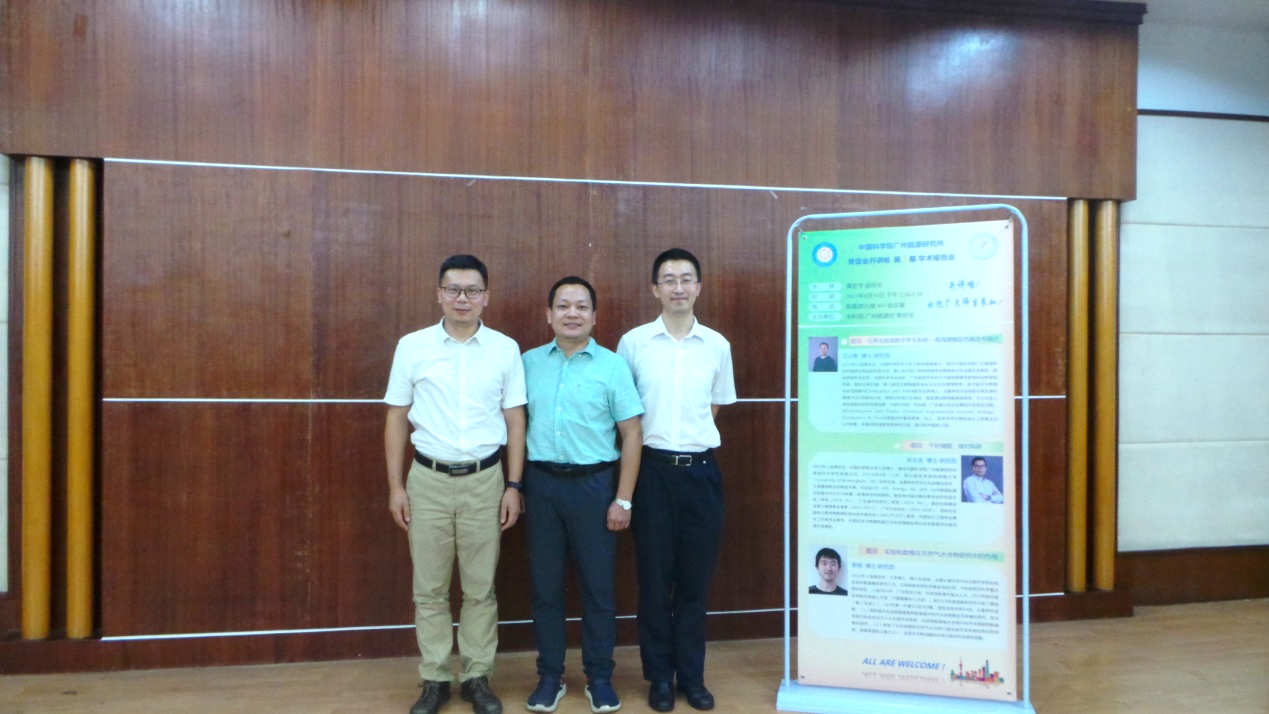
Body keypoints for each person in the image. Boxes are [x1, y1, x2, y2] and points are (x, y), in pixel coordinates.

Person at [383, 254, 527, 714]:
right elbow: (396, 418)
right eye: (453, 289)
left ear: (486, 296)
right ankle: (435, 678)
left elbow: (515, 420)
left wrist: (514, 485)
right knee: (429, 588)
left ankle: (477, 677)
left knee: (480, 588)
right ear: (439, 294)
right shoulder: (412, 347)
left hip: (486, 481)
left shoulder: (504, 349)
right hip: (427, 480)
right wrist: (396, 487)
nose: (462, 298)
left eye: (472, 290)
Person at [617, 248, 737, 713]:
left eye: (687, 278)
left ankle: (692, 677)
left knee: (693, 584)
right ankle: (660, 680)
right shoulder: (634, 343)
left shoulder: (717, 345)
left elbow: (714, 405)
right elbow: (624, 413)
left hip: (701, 474)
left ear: (699, 287)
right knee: (653, 583)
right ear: (655, 289)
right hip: (651, 473)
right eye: (669, 279)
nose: (678, 287)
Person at [521, 276, 644, 714]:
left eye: (581, 306)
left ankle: (600, 677)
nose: (571, 313)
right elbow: (514, 426)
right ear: (548, 314)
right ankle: (550, 676)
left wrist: (623, 499)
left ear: (594, 315)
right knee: (546, 589)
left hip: (595, 487)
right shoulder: (528, 363)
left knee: (598, 589)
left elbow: (632, 434)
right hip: (541, 486)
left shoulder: (612, 366)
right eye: (563, 305)